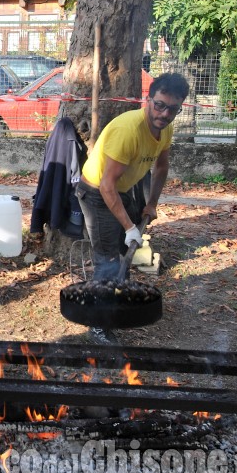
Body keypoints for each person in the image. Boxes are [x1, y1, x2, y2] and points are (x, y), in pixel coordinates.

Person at [76, 72, 189, 344]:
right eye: (159, 105)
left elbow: (161, 166)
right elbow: (106, 186)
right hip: (96, 192)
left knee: (124, 253)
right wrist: (129, 227)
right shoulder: (129, 130)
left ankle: (118, 301)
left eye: (172, 109)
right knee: (107, 259)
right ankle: (98, 324)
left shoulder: (165, 127)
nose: (164, 113)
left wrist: (151, 203)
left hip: (124, 190)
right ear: (148, 100)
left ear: (179, 107)